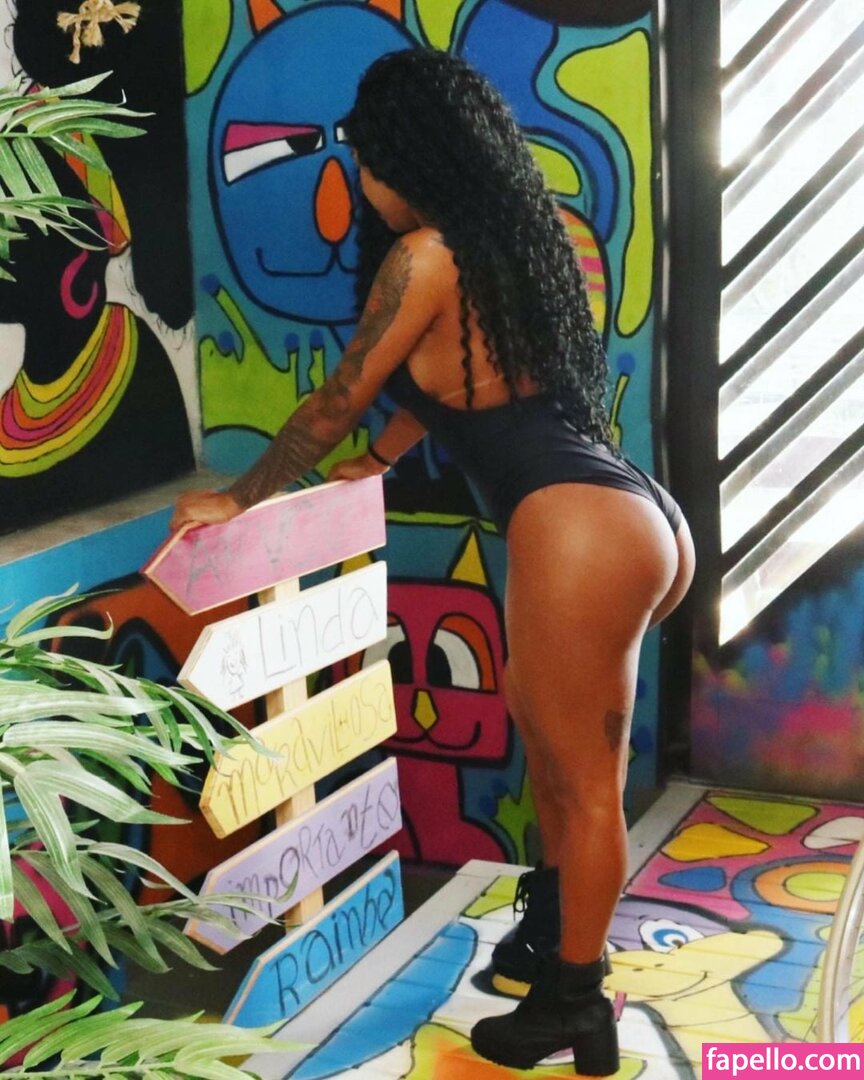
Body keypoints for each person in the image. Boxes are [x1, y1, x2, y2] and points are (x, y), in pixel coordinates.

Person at [170, 48, 695, 1076]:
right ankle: (554, 948)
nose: (362, 179)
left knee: (584, 785)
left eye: (367, 158)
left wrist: (239, 498)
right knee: (559, 768)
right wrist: (376, 465)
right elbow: (448, 392)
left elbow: (338, 400)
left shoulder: (424, 256)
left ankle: (575, 1006)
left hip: (580, 525)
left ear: (400, 158)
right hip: (625, 516)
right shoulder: (500, 248)